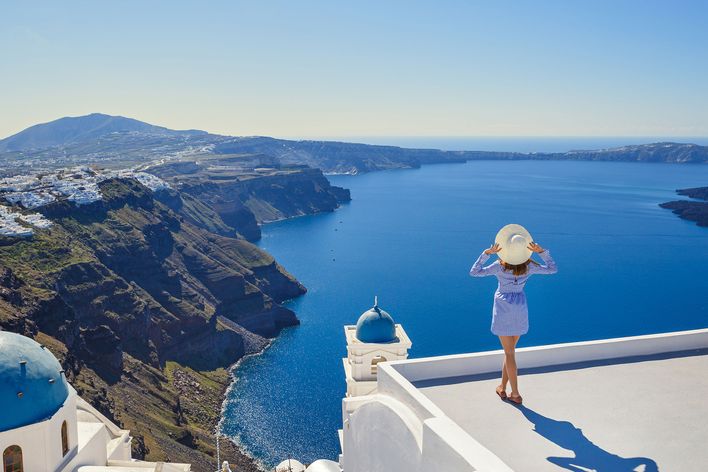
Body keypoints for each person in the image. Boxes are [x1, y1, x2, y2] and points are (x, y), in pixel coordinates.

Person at [470, 224, 557, 404]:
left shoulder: (499, 267)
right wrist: (542, 252)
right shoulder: (529, 266)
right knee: (509, 352)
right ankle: (502, 388)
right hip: (519, 307)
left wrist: (486, 254)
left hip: (503, 307)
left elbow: (474, 272)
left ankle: (515, 393)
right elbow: (552, 269)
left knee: (509, 353)